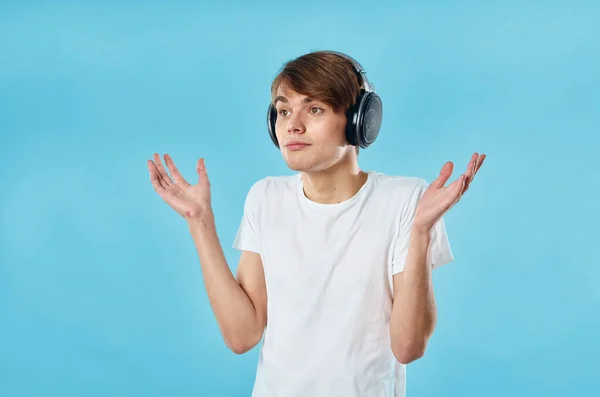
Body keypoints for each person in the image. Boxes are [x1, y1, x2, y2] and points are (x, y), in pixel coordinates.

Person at [147, 50, 485, 397]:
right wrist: (199, 221)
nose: (292, 124)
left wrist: (421, 233)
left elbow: (408, 348)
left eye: (315, 109)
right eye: (283, 110)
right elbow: (242, 335)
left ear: (359, 121)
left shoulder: (405, 199)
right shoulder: (266, 198)